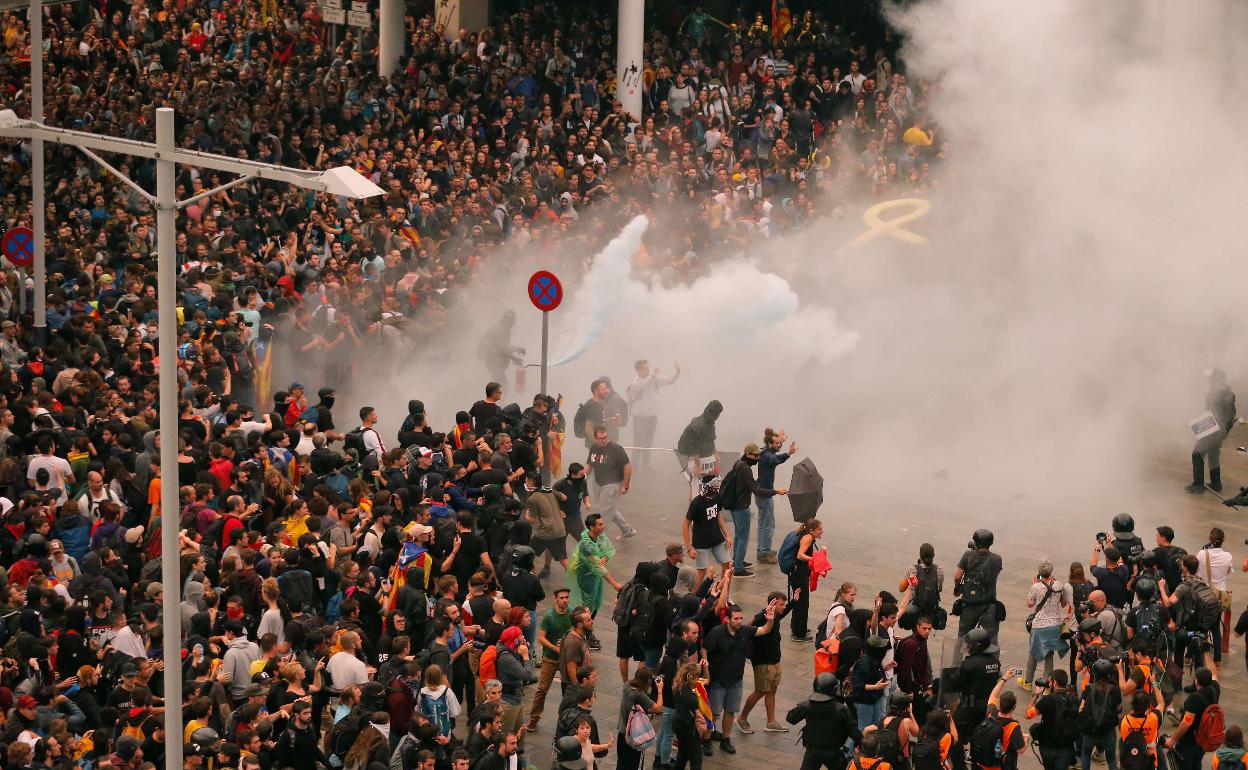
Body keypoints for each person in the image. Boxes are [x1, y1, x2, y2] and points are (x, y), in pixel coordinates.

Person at [703, 601, 777, 755]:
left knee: (730, 711)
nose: (739, 622)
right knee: (714, 713)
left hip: (736, 679)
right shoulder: (716, 633)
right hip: (718, 679)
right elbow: (704, 648)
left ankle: (726, 739)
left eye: (741, 618)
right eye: (736, 619)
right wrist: (705, 668)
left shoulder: (745, 631)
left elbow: (764, 630)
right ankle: (706, 740)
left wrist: (770, 619)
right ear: (727, 619)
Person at [717, 443, 787, 578]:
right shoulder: (746, 469)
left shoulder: (739, 463)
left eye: (759, 455)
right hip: (741, 507)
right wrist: (776, 491)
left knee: (739, 535)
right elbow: (757, 490)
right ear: (748, 454)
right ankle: (738, 569)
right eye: (755, 455)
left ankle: (737, 561)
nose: (758, 458)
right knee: (743, 537)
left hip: (735, 505)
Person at [738, 589, 798, 734]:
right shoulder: (762, 617)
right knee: (760, 691)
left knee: (771, 690)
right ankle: (742, 718)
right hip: (763, 662)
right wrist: (767, 612)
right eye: (782, 604)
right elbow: (749, 627)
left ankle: (771, 722)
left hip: (774, 661)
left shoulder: (775, 615)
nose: (784, 607)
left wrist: (793, 602)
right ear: (773, 604)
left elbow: (782, 613)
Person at [947, 628, 1000, 770]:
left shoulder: (970, 663)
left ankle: (959, 765)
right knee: (980, 737)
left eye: (970, 645)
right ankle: (978, 764)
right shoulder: (995, 662)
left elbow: (956, 682)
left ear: (977, 646)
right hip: (987, 706)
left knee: (954, 733)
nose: (967, 647)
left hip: (970, 705)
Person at [786, 672, 863, 770]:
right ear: (834, 689)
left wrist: (801, 707)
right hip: (833, 752)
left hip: (812, 751)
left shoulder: (807, 705)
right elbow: (853, 731)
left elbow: (791, 718)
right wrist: (864, 744)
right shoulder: (841, 709)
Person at [1019, 560, 1070, 690]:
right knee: (1049, 654)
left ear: (1040, 573)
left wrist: (1034, 585)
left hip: (1039, 625)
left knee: (1033, 653)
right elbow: (1063, 604)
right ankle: (1047, 683)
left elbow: (1030, 603)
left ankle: (1028, 682)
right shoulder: (1058, 585)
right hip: (1055, 624)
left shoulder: (1036, 587)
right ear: (1051, 572)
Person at [528, 587, 572, 731]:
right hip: (550, 658)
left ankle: (567, 719)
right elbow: (541, 638)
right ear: (555, 599)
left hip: (567, 659)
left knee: (568, 690)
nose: (564, 600)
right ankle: (534, 719)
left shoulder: (572, 613)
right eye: (561, 598)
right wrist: (555, 648)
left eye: (566, 597)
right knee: (542, 689)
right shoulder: (549, 616)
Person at [953, 529, 1003, 655]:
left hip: (969, 604)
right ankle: (993, 667)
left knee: (962, 638)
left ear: (976, 541)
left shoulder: (967, 555)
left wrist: (957, 588)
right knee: (992, 640)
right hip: (989, 605)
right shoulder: (997, 559)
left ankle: (954, 668)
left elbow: (957, 576)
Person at [1186, 367, 1235, 494]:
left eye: (1211, 379)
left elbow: (1229, 414)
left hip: (1215, 430)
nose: (1209, 381)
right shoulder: (1220, 392)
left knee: (1197, 454)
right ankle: (1216, 483)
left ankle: (1198, 485)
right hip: (1215, 428)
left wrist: (1222, 428)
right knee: (1213, 454)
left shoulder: (1224, 394)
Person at [625, 359, 680, 469]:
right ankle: (634, 468)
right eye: (645, 368)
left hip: (651, 418)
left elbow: (670, 381)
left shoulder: (653, 379)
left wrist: (677, 372)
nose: (648, 370)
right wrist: (653, 374)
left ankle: (645, 466)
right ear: (638, 370)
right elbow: (643, 385)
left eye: (648, 368)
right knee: (638, 444)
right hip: (639, 418)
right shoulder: (635, 382)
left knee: (648, 444)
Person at [1164, 667, 1220, 770]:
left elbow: (1186, 722)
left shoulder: (1195, 698)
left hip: (1189, 742)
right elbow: (1215, 675)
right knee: (1196, 765)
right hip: (1203, 739)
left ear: (1196, 681)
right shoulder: (1214, 689)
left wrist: (1172, 740)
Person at [754, 428, 796, 563]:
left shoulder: (765, 450)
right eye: (777, 443)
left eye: (780, 443)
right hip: (765, 494)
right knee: (768, 524)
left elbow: (773, 452)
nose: (780, 445)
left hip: (761, 492)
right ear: (770, 444)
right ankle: (764, 552)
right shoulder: (768, 456)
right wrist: (788, 453)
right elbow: (776, 459)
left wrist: (780, 440)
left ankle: (762, 549)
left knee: (762, 522)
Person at [585, 427, 635, 538]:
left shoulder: (616, 449)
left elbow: (628, 466)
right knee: (608, 508)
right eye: (600, 438)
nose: (603, 440)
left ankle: (602, 544)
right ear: (595, 438)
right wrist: (581, 477)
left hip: (613, 484)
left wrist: (625, 484)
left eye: (605, 437)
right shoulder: (594, 448)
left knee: (602, 515)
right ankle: (627, 530)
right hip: (598, 483)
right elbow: (589, 464)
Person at [1025, 671, 1079, 770]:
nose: (1048, 684)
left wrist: (1036, 695)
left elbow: (1028, 714)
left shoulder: (1048, 700)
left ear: (1054, 683)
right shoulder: (1074, 699)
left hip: (1048, 746)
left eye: (1049, 682)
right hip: (1067, 746)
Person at [684, 474, 731, 584]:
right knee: (701, 573)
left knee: (728, 568)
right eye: (716, 485)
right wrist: (689, 548)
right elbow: (685, 525)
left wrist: (727, 535)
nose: (718, 486)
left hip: (717, 539)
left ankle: (722, 595)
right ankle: (693, 598)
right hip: (701, 543)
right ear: (709, 487)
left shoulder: (717, 497)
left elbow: (718, 515)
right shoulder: (696, 503)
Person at [615, 666, 664, 770]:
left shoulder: (626, 686)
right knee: (634, 765)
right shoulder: (640, 695)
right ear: (647, 681)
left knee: (621, 764)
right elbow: (658, 708)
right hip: (635, 737)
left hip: (622, 733)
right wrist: (660, 689)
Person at [1195, 527, 1233, 662]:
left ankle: (1198, 654)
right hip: (1219, 596)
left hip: (1204, 594)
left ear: (1209, 538)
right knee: (1216, 627)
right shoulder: (1228, 556)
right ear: (1223, 540)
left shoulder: (1201, 554)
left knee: (1201, 626)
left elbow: (1197, 573)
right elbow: (1228, 572)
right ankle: (1217, 657)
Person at [1079, 658, 1123, 770]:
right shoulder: (1115, 690)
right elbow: (1119, 709)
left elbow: (1081, 708)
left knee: (1086, 753)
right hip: (1107, 730)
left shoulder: (1089, 688)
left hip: (1090, 730)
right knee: (1111, 759)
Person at [676, 401, 723, 499]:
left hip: (706, 458)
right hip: (699, 460)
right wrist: (697, 465)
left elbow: (710, 440)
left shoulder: (709, 422)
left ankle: (694, 497)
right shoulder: (700, 425)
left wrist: (715, 452)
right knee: (700, 489)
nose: (717, 417)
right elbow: (695, 447)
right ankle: (696, 505)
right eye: (717, 414)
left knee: (699, 485)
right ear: (711, 412)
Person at [669, 660, 710, 770]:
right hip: (687, 726)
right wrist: (695, 690)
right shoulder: (688, 693)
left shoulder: (678, 686)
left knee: (683, 752)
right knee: (696, 757)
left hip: (678, 723)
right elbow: (694, 703)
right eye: (697, 676)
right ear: (692, 677)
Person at [789, 519, 823, 641]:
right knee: (802, 603)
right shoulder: (808, 537)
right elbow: (800, 555)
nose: (821, 531)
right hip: (799, 574)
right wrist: (813, 559)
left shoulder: (807, 536)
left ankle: (797, 628)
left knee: (798, 601)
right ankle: (800, 633)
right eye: (819, 529)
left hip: (798, 573)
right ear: (811, 530)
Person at [1118, 690, 1161, 770]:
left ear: (1132, 705)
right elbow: (1161, 703)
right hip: (1148, 762)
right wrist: (1154, 684)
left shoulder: (1123, 720)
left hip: (1129, 762)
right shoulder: (1154, 718)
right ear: (1148, 705)